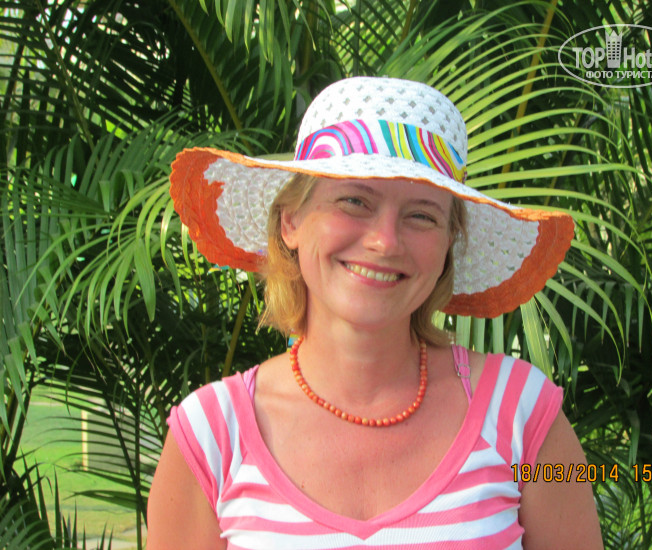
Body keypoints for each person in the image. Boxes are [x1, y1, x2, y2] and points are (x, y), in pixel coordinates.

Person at [147, 76, 603, 550]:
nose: (385, 241)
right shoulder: (210, 437)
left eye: (421, 215)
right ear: (291, 221)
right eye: (354, 201)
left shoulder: (524, 415)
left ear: (448, 243)